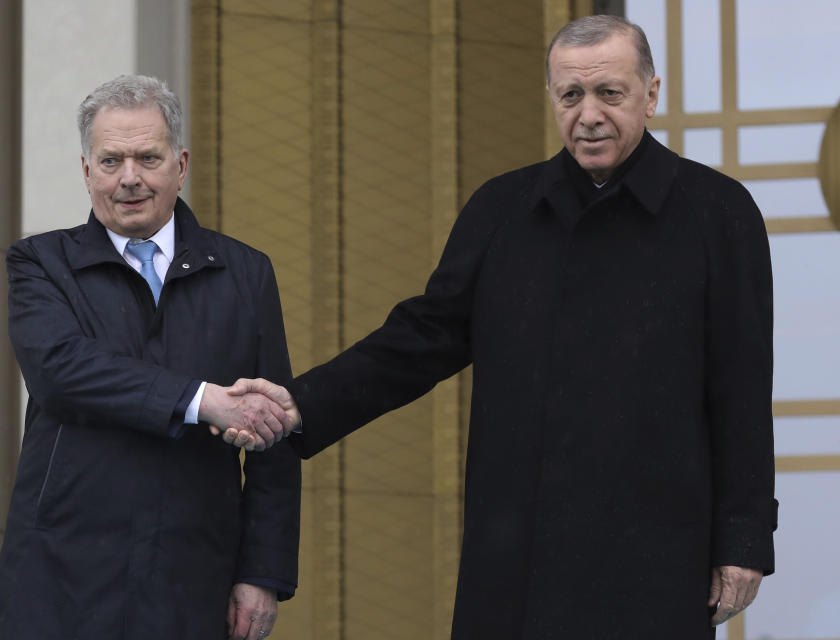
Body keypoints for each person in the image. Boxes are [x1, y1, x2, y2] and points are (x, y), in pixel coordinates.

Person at [220, 15, 777, 639]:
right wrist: (301, 403)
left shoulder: (719, 212)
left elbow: (743, 389)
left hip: (656, 548)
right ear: (552, 99)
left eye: (609, 94)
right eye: (571, 96)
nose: (588, 114)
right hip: (520, 550)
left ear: (651, 94)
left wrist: (744, 537)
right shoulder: (503, 208)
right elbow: (419, 339)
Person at [0, 75, 300, 640]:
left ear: (180, 165)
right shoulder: (40, 262)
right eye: (110, 161)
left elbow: (273, 433)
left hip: (193, 575)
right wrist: (203, 401)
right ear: (87, 172)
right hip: (61, 577)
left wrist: (263, 572)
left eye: (147, 158)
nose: (128, 178)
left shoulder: (246, 273)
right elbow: (60, 370)